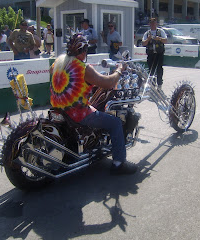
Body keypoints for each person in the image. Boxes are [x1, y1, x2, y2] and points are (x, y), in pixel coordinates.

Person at [49, 34, 138, 175]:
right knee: (115, 123)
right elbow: (109, 82)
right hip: (77, 113)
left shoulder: (57, 64)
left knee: (97, 106)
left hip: (59, 109)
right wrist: (120, 69)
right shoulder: (83, 68)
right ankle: (119, 163)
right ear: (84, 51)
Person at [142, 18, 167, 90]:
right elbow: (144, 43)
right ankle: (152, 86)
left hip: (159, 54)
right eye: (151, 23)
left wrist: (159, 39)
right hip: (151, 54)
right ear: (149, 24)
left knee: (159, 70)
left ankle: (159, 86)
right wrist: (148, 39)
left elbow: (165, 41)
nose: (153, 24)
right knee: (151, 71)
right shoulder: (147, 33)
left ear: (156, 23)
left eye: (154, 22)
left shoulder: (160, 32)